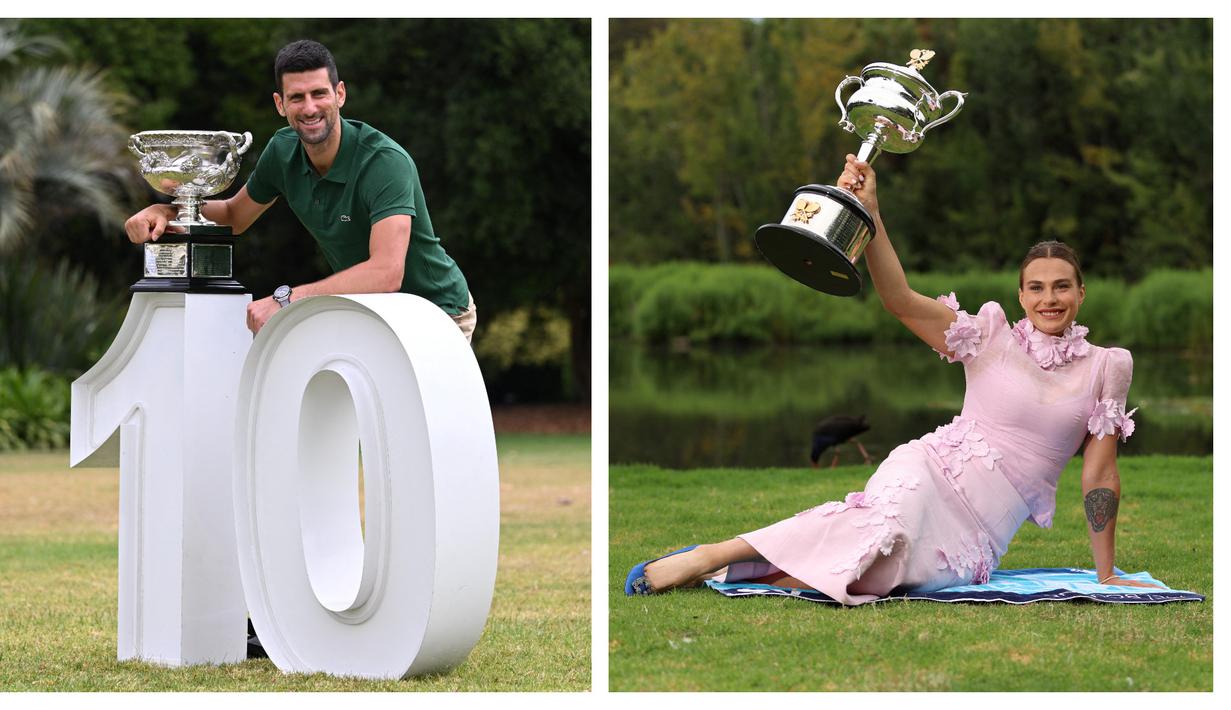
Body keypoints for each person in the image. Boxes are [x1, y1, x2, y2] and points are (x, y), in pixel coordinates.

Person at [625, 154, 1159, 603]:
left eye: (1061, 287)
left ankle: (732, 571)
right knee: (883, 531)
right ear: (1021, 296)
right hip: (930, 472)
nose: (1049, 299)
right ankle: (712, 556)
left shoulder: (1108, 366)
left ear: (1081, 293)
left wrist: (1106, 573)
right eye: (1037, 288)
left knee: (883, 577)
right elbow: (899, 301)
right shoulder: (991, 334)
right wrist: (871, 215)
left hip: (983, 528)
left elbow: (1100, 476)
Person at [124, 39, 476, 342]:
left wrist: (287, 299)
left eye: (319, 93)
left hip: (437, 313)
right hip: (369, 310)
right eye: (297, 97)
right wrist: (169, 210)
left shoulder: (384, 161)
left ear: (339, 95)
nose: (309, 108)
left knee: (405, 419)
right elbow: (235, 215)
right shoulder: (283, 150)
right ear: (280, 104)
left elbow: (387, 272)